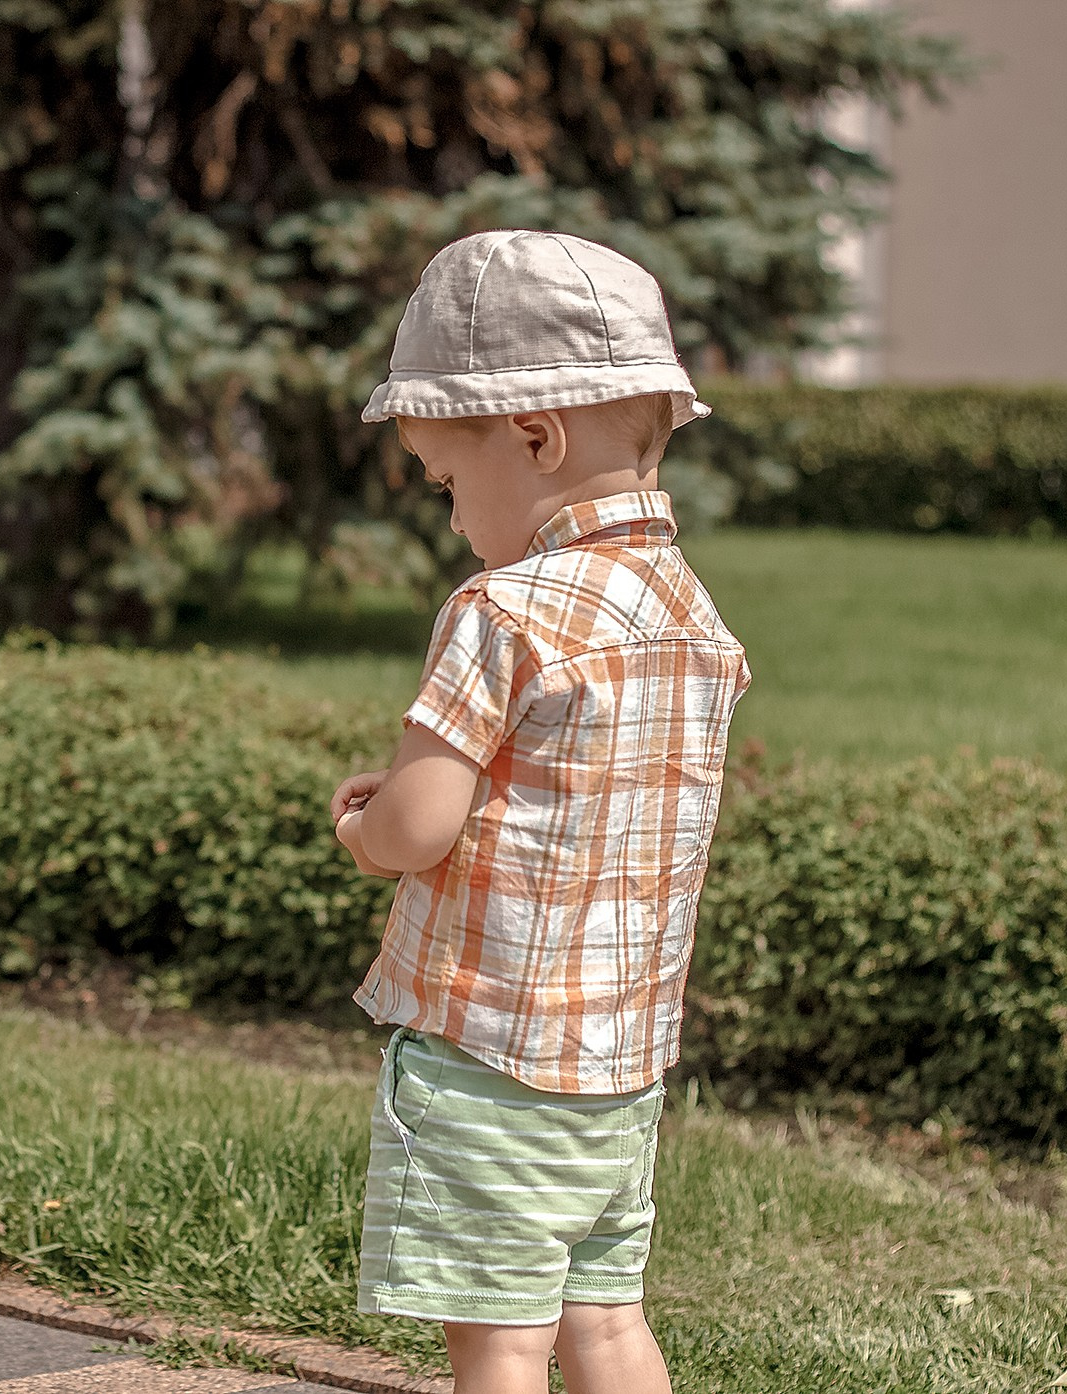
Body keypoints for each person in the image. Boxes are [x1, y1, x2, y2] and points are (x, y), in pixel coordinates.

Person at [328, 231, 750, 1394]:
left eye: (449, 482)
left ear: (532, 435)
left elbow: (418, 826)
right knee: (604, 1319)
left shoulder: (500, 611)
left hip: (490, 1047)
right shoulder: (687, 608)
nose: (451, 514)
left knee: (500, 1338)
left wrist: (364, 826)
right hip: (621, 1057)